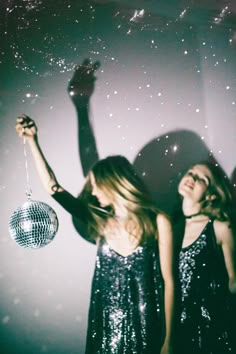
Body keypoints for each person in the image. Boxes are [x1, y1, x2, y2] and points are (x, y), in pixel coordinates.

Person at [15, 114, 175, 354]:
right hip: (105, 324)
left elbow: (170, 282)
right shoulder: (100, 222)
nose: (93, 191)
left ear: (112, 183)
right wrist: (32, 141)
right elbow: (53, 188)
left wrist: (169, 341)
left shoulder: (159, 221)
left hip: (148, 325)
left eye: (96, 184)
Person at [175, 162, 236, 354]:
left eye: (201, 179)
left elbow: (234, 281)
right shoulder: (170, 225)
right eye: (190, 172)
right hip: (176, 325)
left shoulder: (219, 227)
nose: (192, 178)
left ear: (211, 194)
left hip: (211, 329)